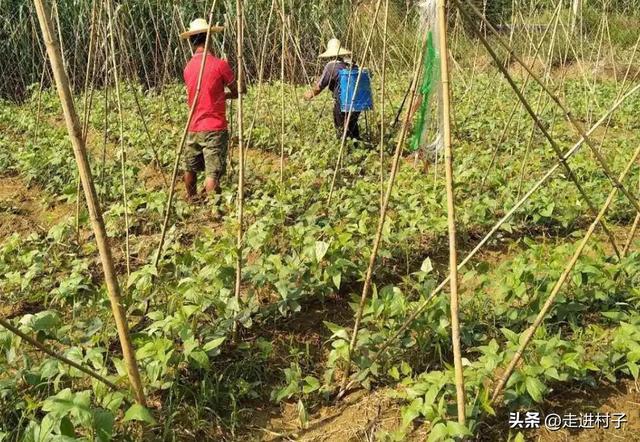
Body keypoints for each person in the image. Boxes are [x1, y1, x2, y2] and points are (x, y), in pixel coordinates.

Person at [180, 18, 240, 205]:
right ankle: (213, 208)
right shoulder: (220, 64)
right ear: (208, 39)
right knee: (212, 173)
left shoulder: (188, 67)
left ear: (192, 41)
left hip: (194, 126)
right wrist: (225, 94)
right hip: (214, 127)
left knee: (190, 167)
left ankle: (191, 199)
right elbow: (237, 91)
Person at [304, 38, 361, 140]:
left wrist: (309, 95)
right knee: (353, 126)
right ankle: (357, 146)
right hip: (357, 102)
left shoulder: (331, 66)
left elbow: (319, 87)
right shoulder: (352, 64)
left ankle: (345, 150)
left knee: (341, 129)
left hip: (342, 103)